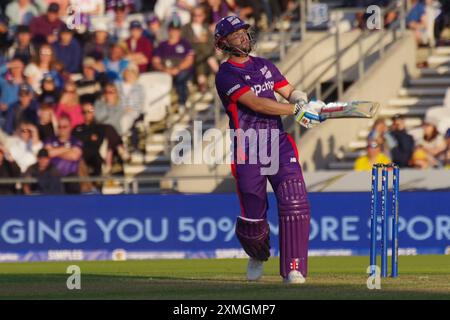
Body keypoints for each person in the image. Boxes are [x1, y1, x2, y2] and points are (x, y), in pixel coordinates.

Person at [214, 16, 323, 284]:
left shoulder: (264, 65)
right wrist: (296, 110)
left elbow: (288, 91)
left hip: (278, 143)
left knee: (295, 200)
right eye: (235, 34)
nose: (242, 37)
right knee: (253, 215)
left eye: (244, 32)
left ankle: (294, 268)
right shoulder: (226, 74)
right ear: (223, 42)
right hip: (249, 148)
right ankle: (257, 254)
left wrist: (302, 100)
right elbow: (257, 104)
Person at [152, 17, 195, 112]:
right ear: (169, 31)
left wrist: (178, 69)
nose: (175, 32)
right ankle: (159, 110)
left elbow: (189, 60)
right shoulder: (162, 45)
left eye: (177, 30)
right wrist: (164, 69)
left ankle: (182, 102)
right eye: (172, 30)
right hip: (165, 71)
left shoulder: (185, 43)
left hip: (182, 70)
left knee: (181, 78)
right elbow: (155, 61)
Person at [182, 4, 219, 95]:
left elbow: (211, 43)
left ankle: (202, 84)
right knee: (200, 52)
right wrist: (196, 41)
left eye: (199, 15)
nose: (196, 17)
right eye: (194, 15)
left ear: (204, 16)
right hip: (193, 55)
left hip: (203, 56)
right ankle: (218, 72)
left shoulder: (206, 27)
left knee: (201, 55)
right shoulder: (186, 28)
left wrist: (203, 41)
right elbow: (184, 43)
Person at [44, 114, 83, 194]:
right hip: (52, 177)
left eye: (64, 127)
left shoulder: (75, 141)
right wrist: (67, 149)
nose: (61, 129)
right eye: (59, 127)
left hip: (70, 177)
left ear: (70, 127)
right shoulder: (50, 139)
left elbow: (74, 156)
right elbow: (47, 153)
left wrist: (55, 151)